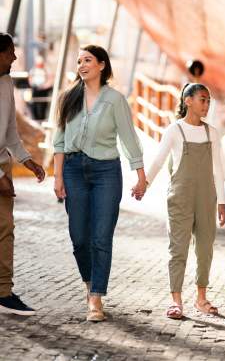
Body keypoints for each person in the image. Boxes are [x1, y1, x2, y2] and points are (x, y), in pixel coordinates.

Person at [52, 45, 146, 322]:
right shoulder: (67, 98)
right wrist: (58, 176)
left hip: (106, 171)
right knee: (80, 239)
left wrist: (140, 174)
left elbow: (129, 137)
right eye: (79, 61)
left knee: (101, 237)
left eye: (88, 60)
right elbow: (59, 140)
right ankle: (89, 282)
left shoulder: (115, 100)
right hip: (73, 170)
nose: (81, 65)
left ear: (102, 65)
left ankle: (96, 298)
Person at [145, 83, 225, 319]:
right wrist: (144, 183)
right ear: (188, 101)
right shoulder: (174, 130)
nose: (207, 105)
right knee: (178, 248)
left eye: (209, 101)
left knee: (205, 248)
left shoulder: (212, 133)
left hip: (206, 198)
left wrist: (221, 202)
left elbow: (218, 170)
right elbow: (159, 161)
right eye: (203, 99)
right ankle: (176, 301)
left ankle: (201, 299)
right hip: (180, 197)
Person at [0, 33, 45, 316]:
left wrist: (28, 161)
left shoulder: (7, 83)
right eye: (10, 52)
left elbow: (10, 133)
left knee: (6, 230)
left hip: (3, 165)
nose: (15, 57)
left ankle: (3, 293)